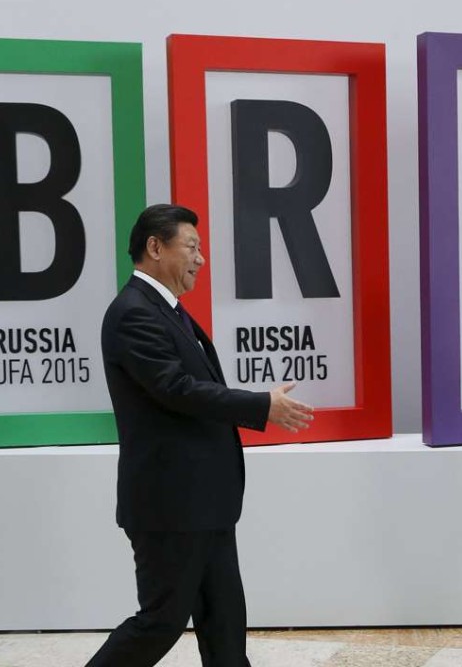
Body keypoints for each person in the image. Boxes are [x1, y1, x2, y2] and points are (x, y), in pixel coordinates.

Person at [85, 204, 314, 667]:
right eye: (191, 246)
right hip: (170, 505)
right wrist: (259, 405)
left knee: (225, 624)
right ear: (154, 247)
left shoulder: (167, 311)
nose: (200, 259)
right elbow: (176, 389)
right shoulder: (133, 313)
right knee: (161, 622)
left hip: (204, 503)